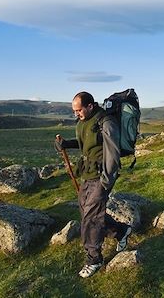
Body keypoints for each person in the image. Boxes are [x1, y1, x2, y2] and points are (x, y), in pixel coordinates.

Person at [55, 91, 132, 278]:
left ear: (90, 106)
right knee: (87, 212)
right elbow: (85, 145)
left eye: (79, 110)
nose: (76, 114)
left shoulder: (105, 122)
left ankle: (94, 259)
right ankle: (121, 231)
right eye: (74, 111)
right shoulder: (83, 122)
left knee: (91, 217)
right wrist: (66, 144)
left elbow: (112, 153)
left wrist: (107, 180)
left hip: (101, 176)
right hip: (87, 174)